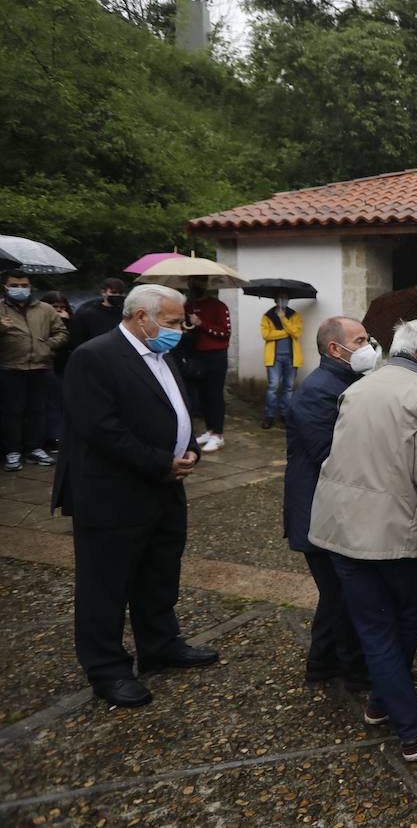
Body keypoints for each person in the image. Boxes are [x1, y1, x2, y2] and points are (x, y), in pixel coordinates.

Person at [52, 284, 217, 707]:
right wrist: (160, 461)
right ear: (141, 317)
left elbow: (176, 408)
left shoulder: (161, 354)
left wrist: (191, 446)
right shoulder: (95, 357)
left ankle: (160, 645)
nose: (180, 329)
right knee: (105, 586)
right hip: (113, 494)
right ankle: (107, 669)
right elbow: (101, 429)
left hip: (164, 489)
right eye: (172, 321)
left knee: (159, 572)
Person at [309, 320, 417, 763]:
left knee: (373, 626)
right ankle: (411, 728)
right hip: (395, 529)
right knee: (406, 617)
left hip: (341, 525)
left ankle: (382, 698)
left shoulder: (359, 386)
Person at [283, 316, 376, 688]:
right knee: (344, 594)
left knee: (336, 593)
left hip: (332, 509)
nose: (369, 346)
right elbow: (328, 453)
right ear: (335, 349)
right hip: (317, 512)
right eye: (361, 340)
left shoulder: (349, 381)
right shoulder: (318, 390)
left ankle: (321, 665)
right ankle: (354, 671)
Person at [2, 268, 68, 472]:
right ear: (5, 286)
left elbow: (62, 332)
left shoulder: (45, 309)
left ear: (31, 286)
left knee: (38, 410)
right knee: (11, 412)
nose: (20, 289)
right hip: (9, 367)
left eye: (24, 285)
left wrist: (48, 346)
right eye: (14, 285)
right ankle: (12, 451)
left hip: (40, 367)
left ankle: (35, 448)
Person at [183, 279, 231, 453]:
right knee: (202, 395)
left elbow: (225, 332)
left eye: (198, 282)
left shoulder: (218, 306)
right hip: (196, 356)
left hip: (216, 355)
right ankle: (210, 430)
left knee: (214, 395)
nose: (195, 286)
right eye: (191, 282)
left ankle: (218, 435)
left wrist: (201, 324)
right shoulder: (187, 306)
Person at [260, 297, 304, 429]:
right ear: (275, 299)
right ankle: (269, 416)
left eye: (285, 298)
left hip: (291, 357)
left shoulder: (294, 315)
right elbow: (266, 335)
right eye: (280, 298)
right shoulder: (267, 316)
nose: (282, 300)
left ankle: (285, 414)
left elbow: (296, 333)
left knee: (288, 387)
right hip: (274, 358)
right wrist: (286, 332)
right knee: (273, 387)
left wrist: (283, 319)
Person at [38, 291, 72, 452]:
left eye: (62, 307)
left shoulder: (70, 320)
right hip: (45, 365)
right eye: (55, 307)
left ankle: (59, 435)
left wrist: (66, 322)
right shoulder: (40, 318)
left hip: (64, 366)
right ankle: (52, 437)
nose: (58, 310)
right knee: (50, 404)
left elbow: (71, 340)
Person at [68, 277, 126, 349]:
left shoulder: (125, 313)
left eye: (120, 293)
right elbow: (78, 339)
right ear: (103, 292)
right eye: (113, 292)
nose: (117, 295)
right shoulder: (87, 314)